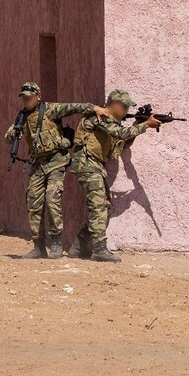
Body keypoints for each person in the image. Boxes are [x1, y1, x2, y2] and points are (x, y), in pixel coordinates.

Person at [4, 82, 110, 259]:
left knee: (52, 198)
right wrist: (14, 133)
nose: (26, 100)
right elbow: (8, 137)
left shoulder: (51, 110)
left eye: (29, 97)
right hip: (38, 164)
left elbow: (73, 107)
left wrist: (94, 108)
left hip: (56, 161)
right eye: (24, 98)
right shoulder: (22, 117)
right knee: (33, 203)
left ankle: (56, 243)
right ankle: (38, 247)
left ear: (38, 97)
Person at [68, 89, 161, 263]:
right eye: (124, 106)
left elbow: (123, 143)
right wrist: (145, 125)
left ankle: (79, 245)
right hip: (87, 164)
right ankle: (99, 249)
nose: (126, 110)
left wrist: (137, 125)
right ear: (113, 104)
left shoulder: (113, 122)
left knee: (105, 207)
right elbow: (119, 134)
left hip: (96, 166)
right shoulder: (100, 117)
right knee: (98, 207)